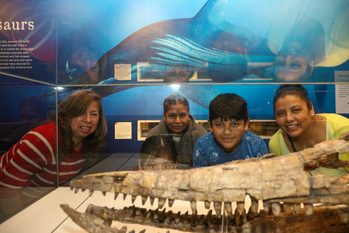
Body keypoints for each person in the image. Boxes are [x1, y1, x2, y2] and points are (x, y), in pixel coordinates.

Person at [0, 89, 108, 189]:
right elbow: (7, 189)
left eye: (94, 114)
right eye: (80, 113)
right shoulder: (43, 139)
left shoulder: (86, 141)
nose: (88, 120)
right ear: (67, 115)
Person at [269, 84, 349, 176]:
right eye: (281, 114)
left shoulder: (343, 129)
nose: (289, 118)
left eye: (296, 110)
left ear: (310, 108)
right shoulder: (276, 143)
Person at [193, 93, 268, 167]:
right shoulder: (203, 146)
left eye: (234, 124)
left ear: (246, 124)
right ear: (210, 126)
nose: (227, 132)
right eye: (219, 125)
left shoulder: (257, 146)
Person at [147, 93, 207, 167]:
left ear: (188, 115)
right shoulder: (154, 135)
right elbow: (148, 167)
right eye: (172, 116)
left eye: (182, 115)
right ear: (165, 117)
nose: (177, 121)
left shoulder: (200, 134)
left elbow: (206, 167)